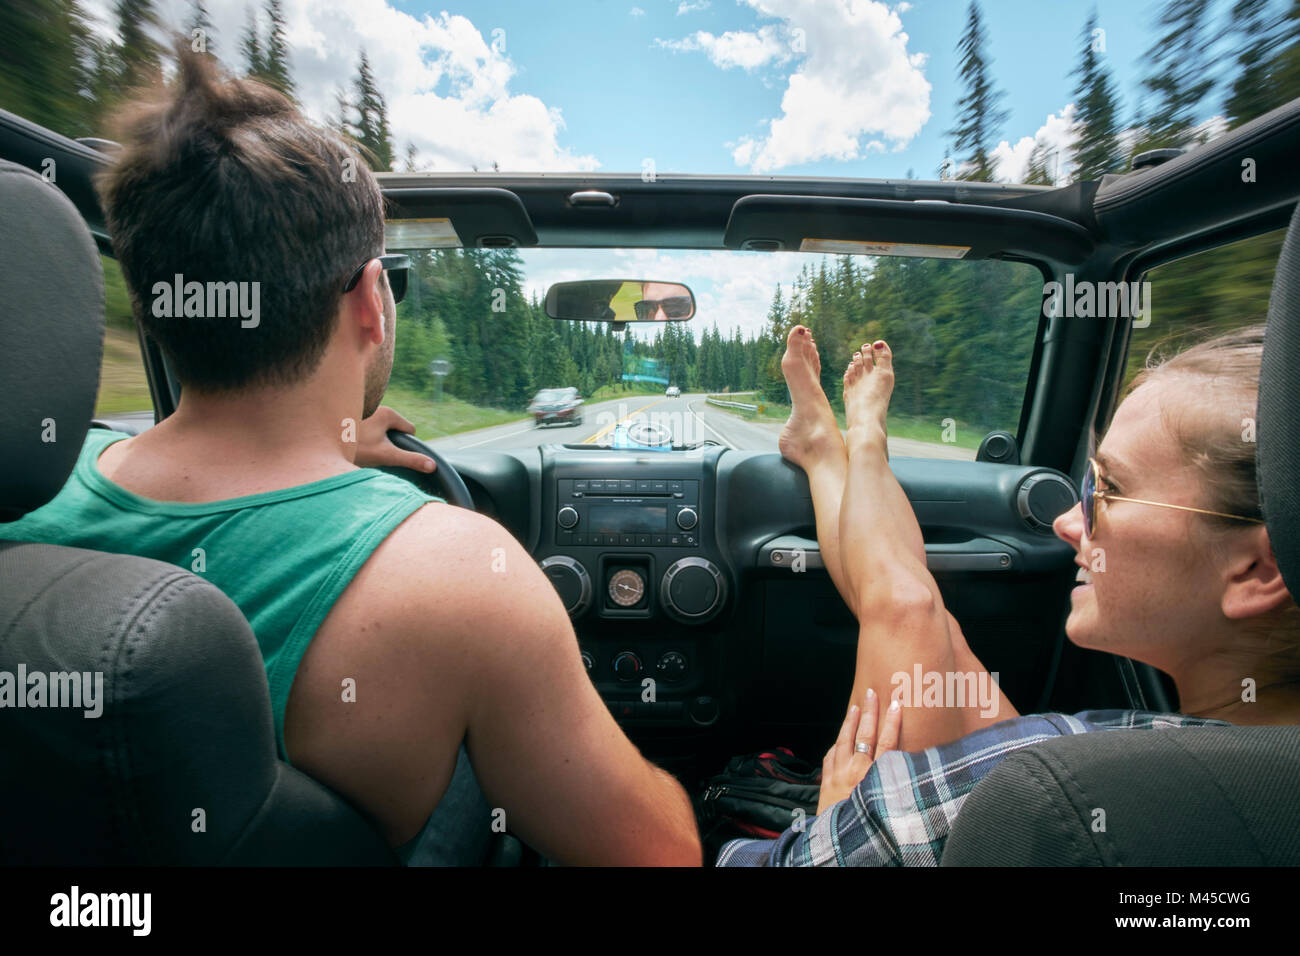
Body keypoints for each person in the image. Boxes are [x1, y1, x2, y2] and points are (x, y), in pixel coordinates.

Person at [2, 47, 700, 867]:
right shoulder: (463, 581)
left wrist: (327, 439)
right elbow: (662, 856)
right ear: (371, 301)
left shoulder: (32, 495)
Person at [722, 322, 1299, 865]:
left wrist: (837, 819)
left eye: (1110, 491)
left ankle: (845, 445)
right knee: (929, 625)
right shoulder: (1157, 766)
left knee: (907, 605)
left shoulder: (1054, 783)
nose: (1068, 522)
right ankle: (836, 446)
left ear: (1256, 571)